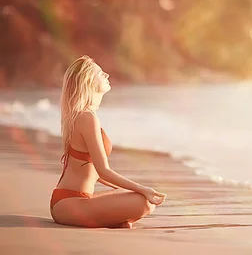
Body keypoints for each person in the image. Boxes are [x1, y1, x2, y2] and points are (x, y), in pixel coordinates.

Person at [50, 55, 166, 228]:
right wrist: (142, 189)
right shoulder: (86, 117)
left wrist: (132, 191)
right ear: (88, 81)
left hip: (73, 201)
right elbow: (103, 171)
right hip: (69, 204)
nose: (107, 75)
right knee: (144, 202)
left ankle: (111, 219)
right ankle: (112, 219)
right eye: (100, 73)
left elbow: (96, 173)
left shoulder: (83, 115)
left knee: (138, 198)